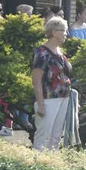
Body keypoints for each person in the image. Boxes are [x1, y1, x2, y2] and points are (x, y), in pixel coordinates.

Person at [31, 16, 73, 151]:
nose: (66, 34)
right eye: (64, 31)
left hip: (63, 97)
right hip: (48, 99)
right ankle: (38, 165)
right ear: (54, 32)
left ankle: (52, 165)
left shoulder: (60, 52)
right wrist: (41, 105)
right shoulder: (41, 53)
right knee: (43, 136)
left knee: (56, 136)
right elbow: (36, 80)